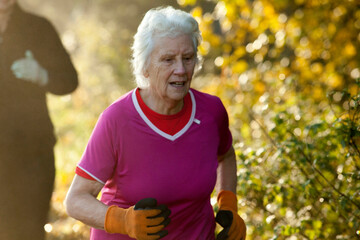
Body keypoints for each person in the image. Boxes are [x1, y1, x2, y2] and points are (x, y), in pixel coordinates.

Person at [65, 6, 245, 240]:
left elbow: (226, 155)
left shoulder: (211, 112)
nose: (180, 70)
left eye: (187, 58)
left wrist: (228, 202)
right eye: (168, 60)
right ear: (145, 66)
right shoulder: (117, 120)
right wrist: (124, 221)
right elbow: (76, 200)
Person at [0, 0, 78, 239]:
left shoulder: (37, 27)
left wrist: (42, 75)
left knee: (28, 231)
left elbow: (69, 80)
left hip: (32, 154)